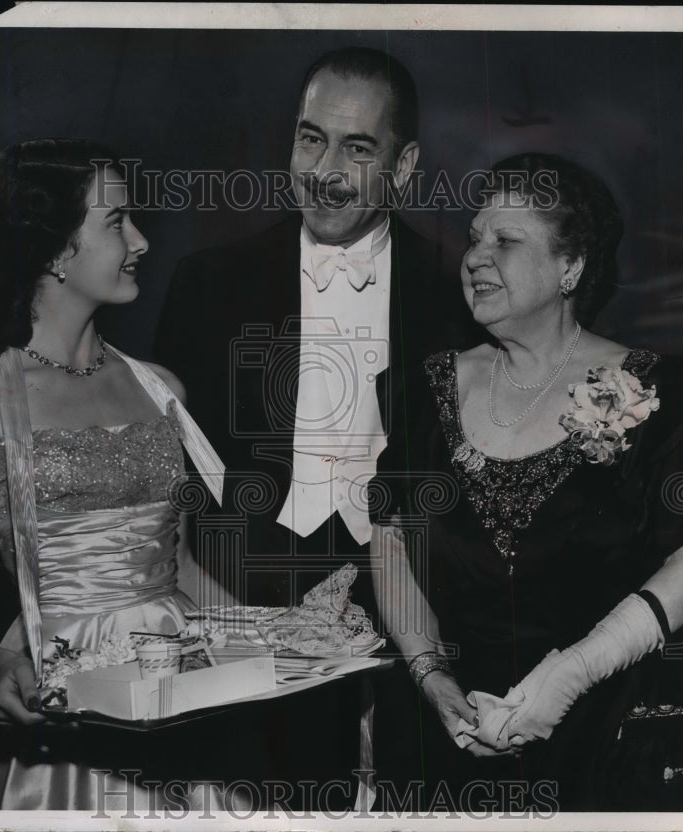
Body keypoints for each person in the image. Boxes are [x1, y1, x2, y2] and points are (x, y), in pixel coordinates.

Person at [370, 152, 683, 811]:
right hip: (453, 730)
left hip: (610, 737)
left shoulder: (652, 390)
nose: (475, 257)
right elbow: (390, 543)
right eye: (473, 238)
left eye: (506, 240)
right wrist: (430, 674)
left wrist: (569, 676)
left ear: (570, 268)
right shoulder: (423, 391)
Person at [153, 46, 469, 803]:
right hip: (240, 615)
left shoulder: (458, 295)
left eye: (357, 147)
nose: (323, 168)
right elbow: (167, 479)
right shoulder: (206, 284)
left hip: (414, 616)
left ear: (405, 163)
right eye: (309, 137)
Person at [0, 138, 233, 811]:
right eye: (117, 221)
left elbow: (178, 568)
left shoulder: (162, 389)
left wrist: (281, 641)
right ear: (53, 251)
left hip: (177, 688)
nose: (142, 240)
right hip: (54, 700)